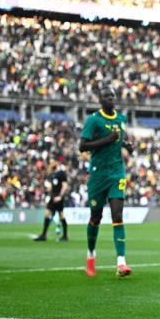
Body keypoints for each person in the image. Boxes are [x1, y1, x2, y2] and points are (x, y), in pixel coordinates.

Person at [79, 87, 135, 278]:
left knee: (117, 215)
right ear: (100, 100)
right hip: (97, 175)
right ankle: (91, 255)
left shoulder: (121, 119)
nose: (111, 98)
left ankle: (121, 262)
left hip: (117, 173)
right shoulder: (93, 120)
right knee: (96, 217)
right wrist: (107, 139)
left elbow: (121, 139)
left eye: (113, 95)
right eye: (107, 96)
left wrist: (127, 145)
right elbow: (82, 146)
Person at [33, 160, 69, 241]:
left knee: (57, 215)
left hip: (58, 198)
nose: (50, 164)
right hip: (53, 197)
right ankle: (62, 236)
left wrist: (60, 196)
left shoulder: (61, 173)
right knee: (55, 214)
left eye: (52, 163)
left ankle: (45, 235)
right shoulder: (53, 175)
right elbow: (53, 186)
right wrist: (48, 190)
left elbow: (65, 186)